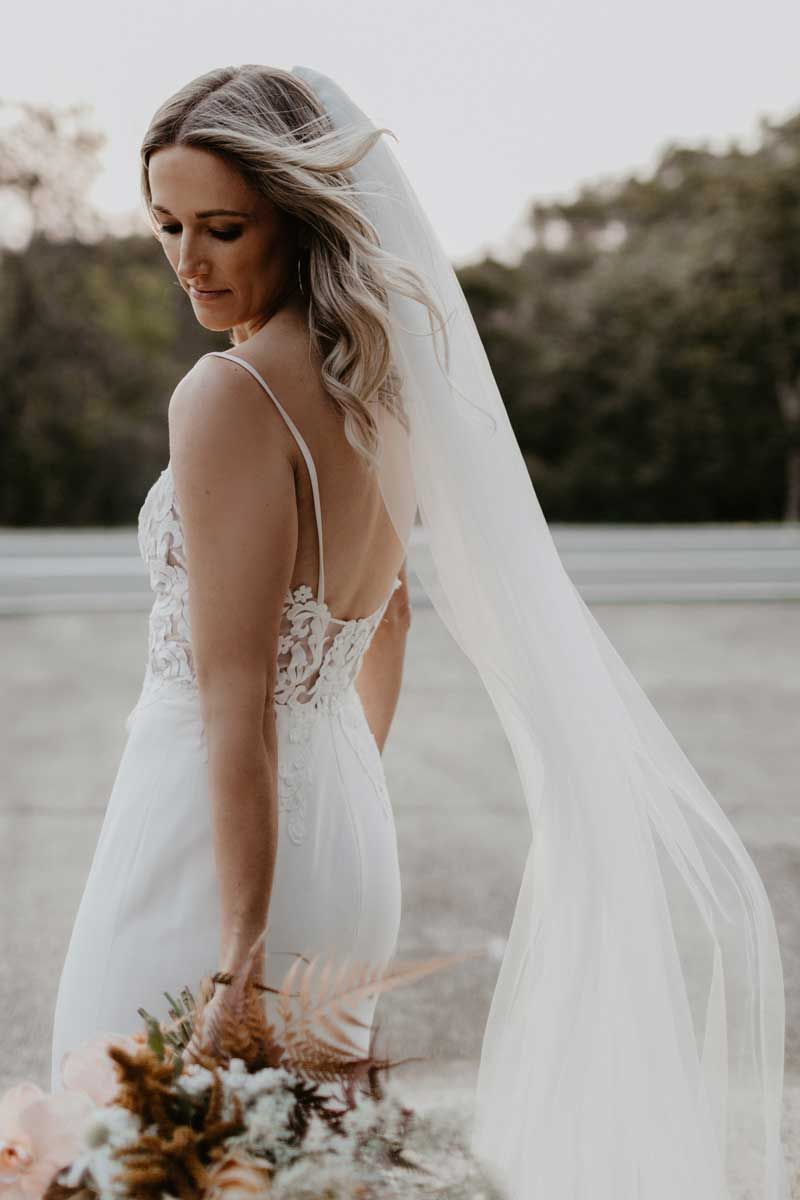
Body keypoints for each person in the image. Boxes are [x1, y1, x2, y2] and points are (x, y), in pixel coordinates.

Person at [50, 64, 790, 1200]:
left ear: (298, 220)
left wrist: (240, 957)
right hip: (344, 824)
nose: (187, 261)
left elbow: (236, 702)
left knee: (130, 1152)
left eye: (222, 228)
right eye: (166, 227)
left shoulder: (228, 395)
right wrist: (328, 806)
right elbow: (388, 617)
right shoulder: (382, 391)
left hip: (201, 853)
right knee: (288, 1166)